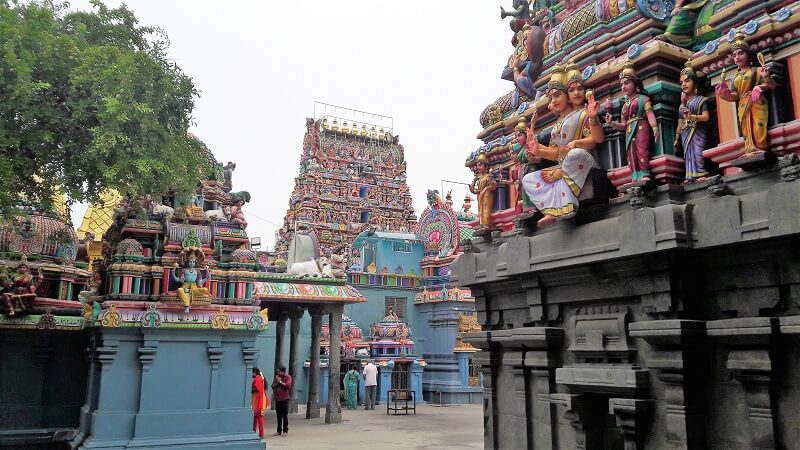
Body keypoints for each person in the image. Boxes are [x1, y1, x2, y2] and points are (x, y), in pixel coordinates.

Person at [521, 62, 597, 229]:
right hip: (565, 166)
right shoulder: (557, 125)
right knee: (528, 179)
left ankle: (563, 207)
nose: (553, 102)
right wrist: (538, 150)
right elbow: (556, 153)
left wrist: (592, 119)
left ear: (566, 96)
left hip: (580, 162)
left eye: (557, 96)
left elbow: (596, 139)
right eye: (551, 98)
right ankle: (557, 210)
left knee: (575, 154)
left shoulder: (583, 113)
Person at [716, 32, 775, 156]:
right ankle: (749, 149)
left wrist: (761, 85)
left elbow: (771, 85)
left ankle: (760, 147)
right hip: (742, 105)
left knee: (758, 127)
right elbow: (734, 96)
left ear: (748, 55)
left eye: (740, 53)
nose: (737, 57)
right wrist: (724, 93)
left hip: (757, 102)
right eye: (734, 55)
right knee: (746, 130)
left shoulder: (757, 70)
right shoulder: (735, 78)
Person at [605, 61, 659, 182]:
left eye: (627, 83)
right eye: (621, 85)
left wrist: (655, 128)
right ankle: (635, 174)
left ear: (635, 83)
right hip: (629, 130)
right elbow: (624, 125)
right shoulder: (625, 106)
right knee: (631, 153)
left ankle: (645, 172)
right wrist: (612, 123)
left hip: (641, 125)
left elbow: (649, 113)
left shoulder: (643, 99)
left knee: (642, 149)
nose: (623, 87)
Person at [675, 59, 711, 182]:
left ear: (695, 83)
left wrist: (692, 117)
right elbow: (680, 122)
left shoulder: (701, 100)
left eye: (687, 80)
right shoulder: (682, 105)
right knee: (688, 155)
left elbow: (706, 117)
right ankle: (690, 175)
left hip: (698, 131)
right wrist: (676, 138)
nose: (684, 84)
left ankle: (701, 173)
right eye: (681, 82)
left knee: (698, 152)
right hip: (685, 132)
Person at [272, 365, 292, 437]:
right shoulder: (277, 377)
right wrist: (277, 381)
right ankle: (278, 431)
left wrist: (279, 381)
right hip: (278, 399)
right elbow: (272, 386)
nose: (277, 373)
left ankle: (285, 431)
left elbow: (287, 386)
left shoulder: (288, 377)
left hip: (284, 399)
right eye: (277, 372)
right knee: (278, 416)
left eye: (279, 371)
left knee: (284, 415)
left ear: (283, 372)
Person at [251, 368, 268, 439]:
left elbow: (257, 389)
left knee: (258, 417)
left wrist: (250, 389)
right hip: (260, 399)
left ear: (255, 372)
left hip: (258, 400)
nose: (252, 375)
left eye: (252, 373)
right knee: (256, 417)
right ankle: (255, 432)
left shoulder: (258, 378)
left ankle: (260, 433)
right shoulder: (261, 378)